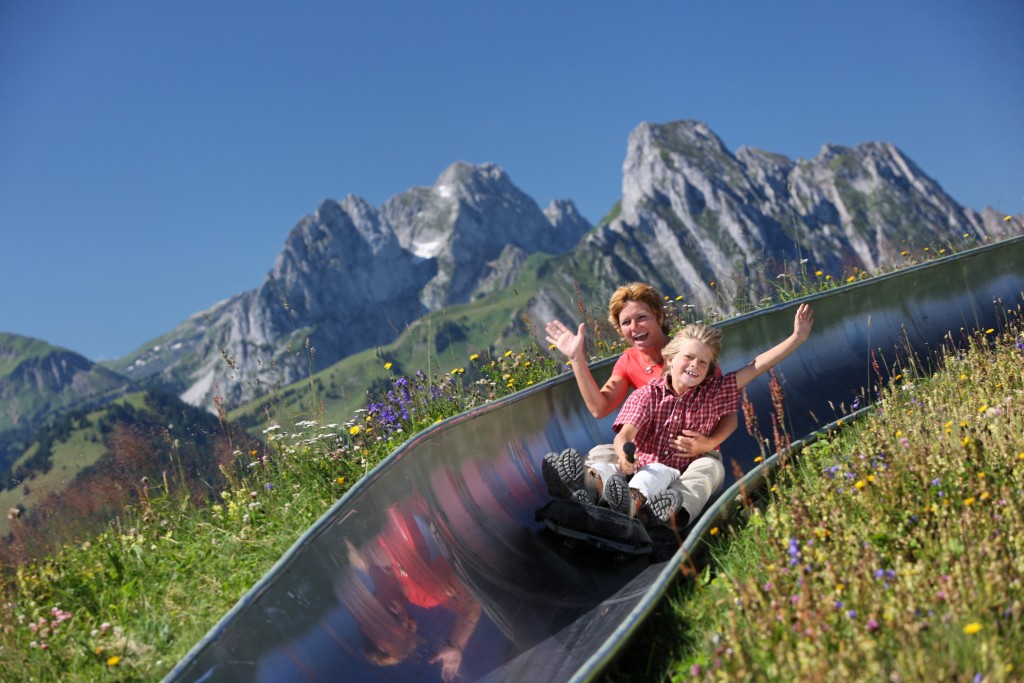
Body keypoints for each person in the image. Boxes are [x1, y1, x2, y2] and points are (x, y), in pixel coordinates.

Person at [600, 303, 815, 527]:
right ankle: (592, 486)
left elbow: (756, 367)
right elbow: (625, 434)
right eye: (689, 357)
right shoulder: (649, 394)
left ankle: (666, 517)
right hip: (644, 465)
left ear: (709, 370)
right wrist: (625, 456)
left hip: (683, 471)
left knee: (700, 469)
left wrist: (797, 338)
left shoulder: (714, 392)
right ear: (670, 359)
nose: (695, 365)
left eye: (703, 362)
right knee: (607, 457)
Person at [542, 282, 738, 513]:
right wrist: (576, 359)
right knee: (600, 453)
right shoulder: (628, 361)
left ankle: (666, 515)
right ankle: (585, 490)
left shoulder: (691, 357)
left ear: (659, 317)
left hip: (690, 456)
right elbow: (600, 408)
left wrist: (706, 443)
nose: (634, 327)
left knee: (706, 469)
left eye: (641, 318)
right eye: (626, 322)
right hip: (647, 454)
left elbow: (729, 418)